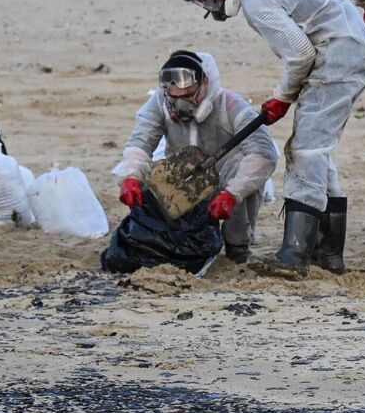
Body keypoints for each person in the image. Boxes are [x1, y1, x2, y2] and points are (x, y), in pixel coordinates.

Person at [183, 0, 365, 273]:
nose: (213, 6)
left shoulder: (255, 2)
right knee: (316, 149)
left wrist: (282, 97)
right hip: (353, 49)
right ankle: (328, 253)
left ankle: (294, 256)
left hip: (337, 58)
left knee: (305, 150)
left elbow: (301, 53)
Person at [112, 51, 279, 262]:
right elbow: (139, 144)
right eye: (174, 96)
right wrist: (130, 177)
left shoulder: (230, 105)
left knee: (240, 171)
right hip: (183, 175)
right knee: (144, 180)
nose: (179, 103)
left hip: (225, 176)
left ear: (204, 83)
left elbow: (264, 153)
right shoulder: (158, 103)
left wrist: (232, 193)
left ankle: (237, 247)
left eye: (187, 93)